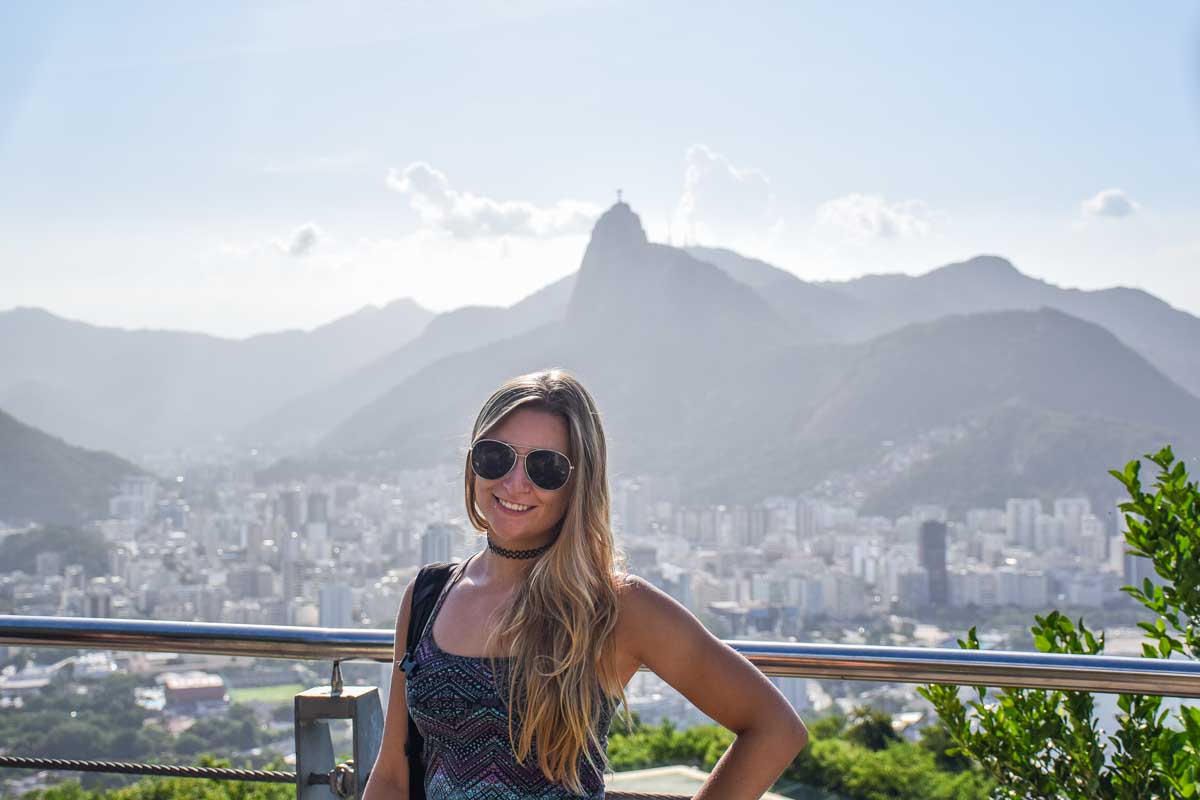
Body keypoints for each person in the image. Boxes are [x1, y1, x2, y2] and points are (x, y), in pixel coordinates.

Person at [363, 369, 808, 800]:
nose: (515, 483)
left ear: (579, 482)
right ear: (473, 463)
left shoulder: (613, 607)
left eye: (546, 467)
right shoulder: (427, 596)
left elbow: (773, 728)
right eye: (496, 456)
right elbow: (391, 777)